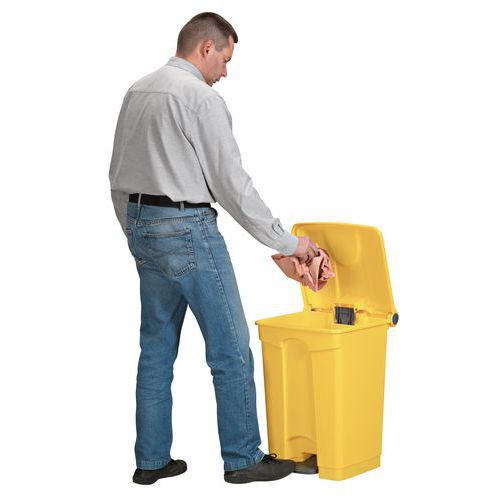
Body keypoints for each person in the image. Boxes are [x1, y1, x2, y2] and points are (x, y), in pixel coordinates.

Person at [108, 12, 318, 485]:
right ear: (206, 47)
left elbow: (116, 174)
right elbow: (232, 185)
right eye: (225, 59)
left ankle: (151, 461)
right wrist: (288, 242)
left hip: (142, 226)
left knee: (155, 350)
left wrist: (135, 232)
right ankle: (242, 458)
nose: (225, 72)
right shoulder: (200, 99)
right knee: (230, 350)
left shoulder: (138, 91)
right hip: (188, 230)